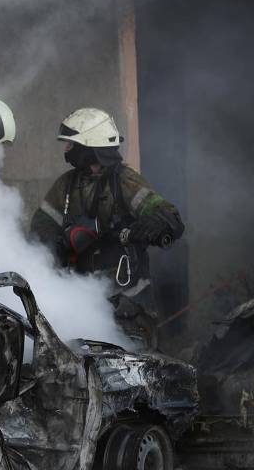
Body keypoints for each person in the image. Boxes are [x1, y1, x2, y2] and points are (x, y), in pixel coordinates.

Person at [29, 107, 184, 346]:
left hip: (129, 305)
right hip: (81, 300)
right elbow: (41, 226)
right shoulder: (66, 186)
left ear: (89, 147)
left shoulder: (124, 181)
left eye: (71, 144)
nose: (66, 150)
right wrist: (56, 248)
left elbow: (167, 216)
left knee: (131, 369)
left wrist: (154, 223)